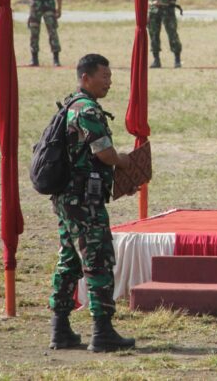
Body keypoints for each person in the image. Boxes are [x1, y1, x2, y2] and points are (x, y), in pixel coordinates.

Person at [48, 53, 136, 353]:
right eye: (104, 76)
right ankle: (102, 331)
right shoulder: (86, 109)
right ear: (85, 77)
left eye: (110, 77)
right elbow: (104, 153)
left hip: (68, 199)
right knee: (98, 260)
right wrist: (124, 163)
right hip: (83, 201)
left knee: (70, 261)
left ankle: (60, 330)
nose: (109, 82)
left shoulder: (71, 105)